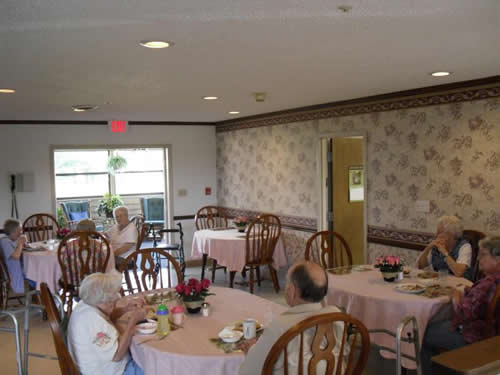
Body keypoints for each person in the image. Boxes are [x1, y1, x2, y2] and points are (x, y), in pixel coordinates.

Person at [238, 261, 346, 375]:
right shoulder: (337, 316)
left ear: (292, 291)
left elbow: (249, 371)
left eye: (287, 282)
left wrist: (251, 351)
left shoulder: (281, 326)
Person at [421, 236, 500, 374]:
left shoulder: (490, 282)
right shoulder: (492, 280)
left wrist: (457, 297)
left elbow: (465, 313)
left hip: (475, 336)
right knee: (438, 323)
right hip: (489, 333)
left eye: (483, 255)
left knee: (423, 332)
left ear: (498, 259)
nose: (478, 259)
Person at [67, 271, 147, 375]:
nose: (115, 302)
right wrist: (133, 321)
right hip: (111, 371)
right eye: (111, 300)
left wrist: (125, 309)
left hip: (98, 366)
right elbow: (117, 355)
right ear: (101, 301)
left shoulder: (86, 303)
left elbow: (106, 316)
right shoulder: (93, 320)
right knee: (156, 368)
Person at [0, 219, 34, 293]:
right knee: (35, 273)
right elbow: (16, 256)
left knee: (35, 270)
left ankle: (36, 294)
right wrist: (20, 243)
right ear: (13, 232)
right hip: (11, 273)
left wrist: (23, 244)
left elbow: (17, 249)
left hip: (18, 269)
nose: (21, 233)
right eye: (19, 231)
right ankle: (39, 293)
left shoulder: (11, 241)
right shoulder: (5, 242)